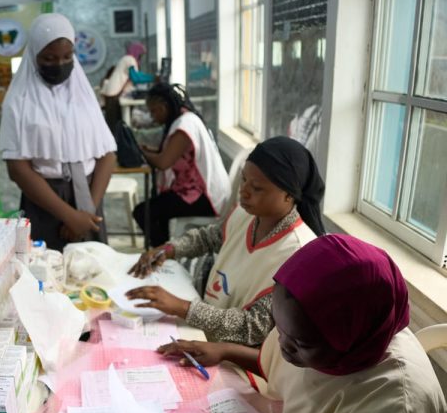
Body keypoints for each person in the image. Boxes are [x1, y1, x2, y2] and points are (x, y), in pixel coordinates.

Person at [107, 234, 447, 413]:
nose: (282, 347)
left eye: (298, 343)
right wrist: (226, 350)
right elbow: (288, 368)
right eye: (277, 327)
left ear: (347, 341)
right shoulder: (345, 335)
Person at [127, 136, 325, 346]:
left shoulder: (299, 254)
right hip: (205, 336)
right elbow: (211, 237)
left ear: (288, 195)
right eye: (244, 179)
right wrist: (169, 249)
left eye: (257, 188)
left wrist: (183, 307)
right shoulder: (246, 215)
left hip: (239, 358)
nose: (244, 191)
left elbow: (253, 327)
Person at [0, 14, 116, 252]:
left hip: (88, 197)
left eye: (67, 57)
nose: (60, 64)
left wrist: (86, 213)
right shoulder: (18, 100)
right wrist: (69, 216)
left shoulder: (83, 95)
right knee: (47, 275)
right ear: (34, 56)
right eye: (49, 58)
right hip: (45, 201)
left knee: (91, 272)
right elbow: (18, 168)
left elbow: (107, 154)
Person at [132, 83, 230, 246]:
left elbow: (163, 163)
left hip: (204, 198)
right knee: (158, 208)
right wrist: (149, 150)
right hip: (197, 192)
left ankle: (161, 253)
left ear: (164, 107)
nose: (153, 116)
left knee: (143, 212)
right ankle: (162, 251)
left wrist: (140, 152)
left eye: (154, 111)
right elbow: (172, 153)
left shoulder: (184, 126)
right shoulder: (186, 119)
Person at [101, 41, 154, 132]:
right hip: (114, 94)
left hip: (112, 93)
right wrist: (153, 78)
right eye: (140, 55)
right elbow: (135, 77)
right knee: (114, 124)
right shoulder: (130, 59)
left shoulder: (127, 59)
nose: (140, 58)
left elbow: (135, 75)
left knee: (113, 123)